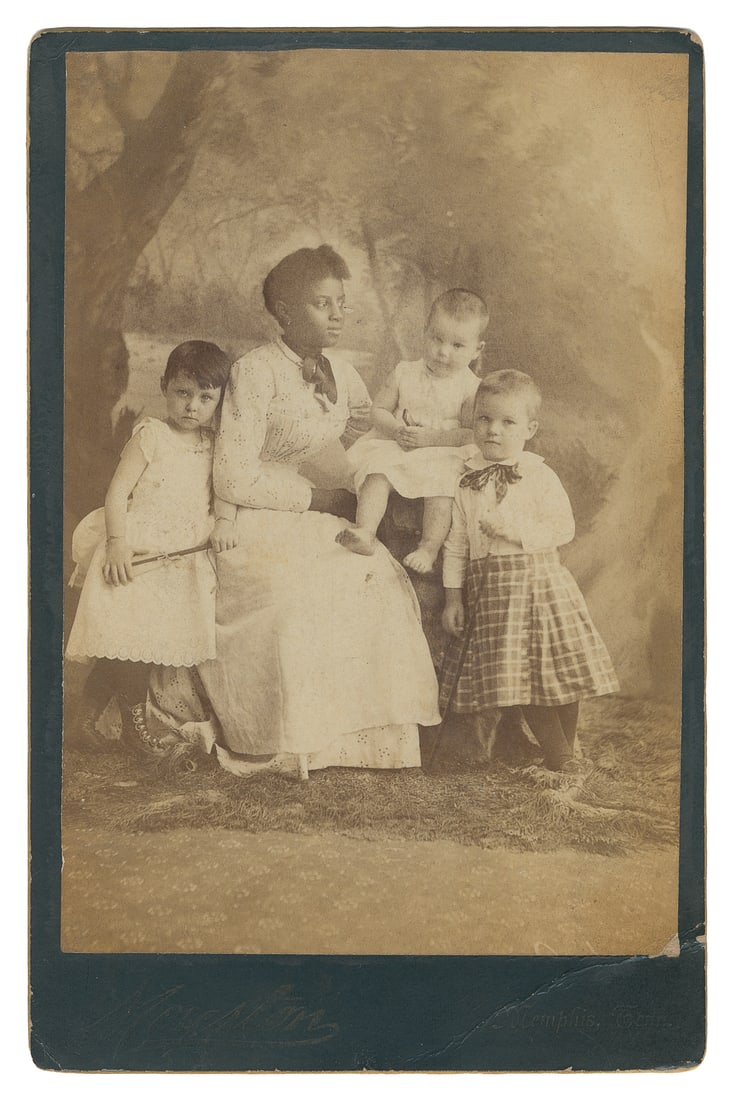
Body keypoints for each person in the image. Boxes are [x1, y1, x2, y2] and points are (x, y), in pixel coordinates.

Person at [160, 245, 441, 778]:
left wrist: (348, 470)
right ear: (285, 313)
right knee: (295, 594)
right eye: (322, 304)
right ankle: (285, 738)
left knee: (369, 573)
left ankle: (350, 744)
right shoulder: (254, 372)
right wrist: (315, 496)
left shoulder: (342, 370)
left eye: (341, 303)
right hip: (250, 516)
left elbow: (359, 423)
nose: (338, 315)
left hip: (312, 513)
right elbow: (233, 477)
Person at [439, 370, 619, 773]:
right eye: (484, 419)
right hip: (494, 593)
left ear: (530, 428)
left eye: (507, 422)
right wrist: (453, 597)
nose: (493, 431)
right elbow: (456, 544)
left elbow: (563, 528)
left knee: (563, 669)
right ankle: (560, 757)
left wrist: (515, 531)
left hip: (540, 584)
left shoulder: (538, 474)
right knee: (519, 677)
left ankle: (563, 754)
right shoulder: (466, 479)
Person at [66, 340, 234, 755]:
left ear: (218, 401)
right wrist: (118, 543)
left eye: (205, 398)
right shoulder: (151, 435)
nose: (192, 406)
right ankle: (134, 728)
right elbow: (117, 492)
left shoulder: (213, 445)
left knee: (134, 646)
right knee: (130, 643)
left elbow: (223, 493)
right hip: (138, 554)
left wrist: (224, 523)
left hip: (178, 561)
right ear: (164, 388)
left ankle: (84, 720)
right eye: (182, 393)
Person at [337, 289, 487, 574]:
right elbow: (377, 410)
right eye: (436, 339)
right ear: (425, 333)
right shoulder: (405, 372)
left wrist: (433, 439)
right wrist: (395, 430)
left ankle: (429, 548)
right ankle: (365, 531)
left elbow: (470, 433)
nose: (443, 352)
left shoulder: (469, 387)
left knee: (442, 490)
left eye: (457, 345)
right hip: (399, 444)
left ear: (476, 350)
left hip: (442, 452)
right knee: (377, 471)